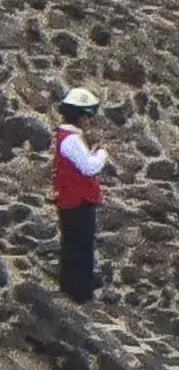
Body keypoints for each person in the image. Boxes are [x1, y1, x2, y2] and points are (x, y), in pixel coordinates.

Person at [52, 88, 108, 304]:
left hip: (71, 199)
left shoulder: (64, 137)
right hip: (78, 201)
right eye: (87, 116)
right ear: (80, 116)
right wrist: (102, 153)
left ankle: (72, 287)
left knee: (73, 245)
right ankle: (79, 292)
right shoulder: (72, 140)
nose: (88, 121)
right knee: (80, 247)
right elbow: (89, 167)